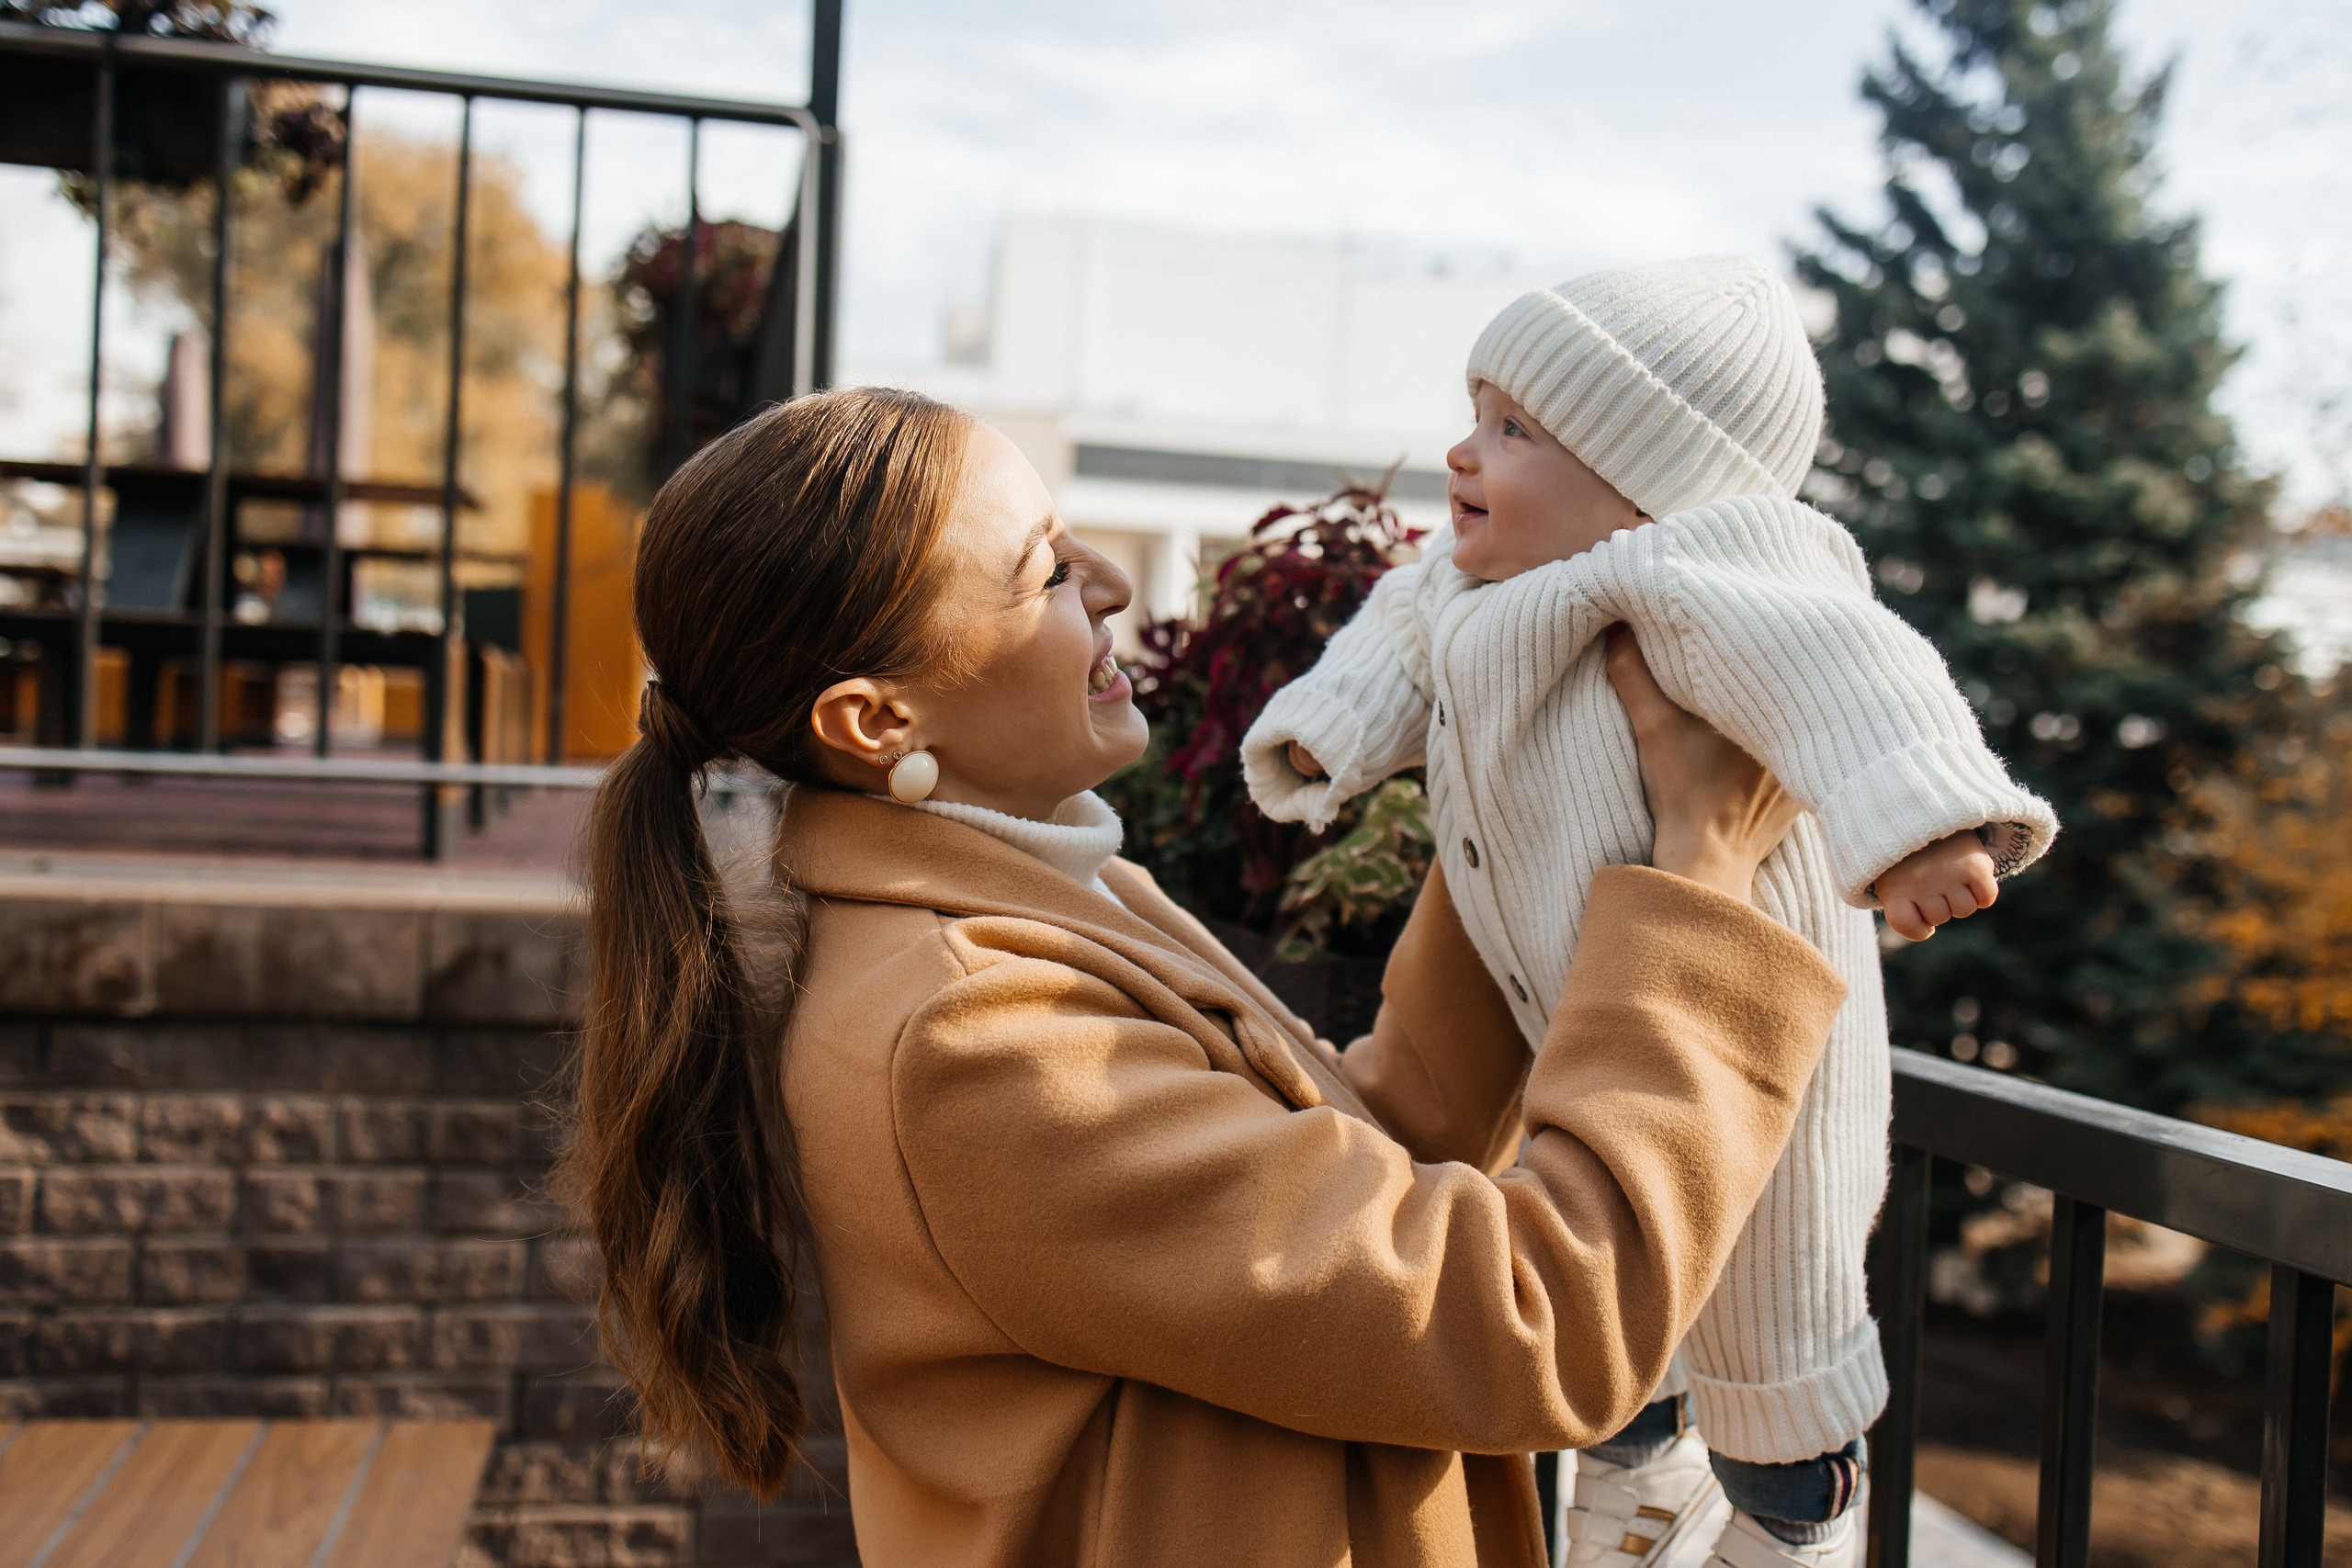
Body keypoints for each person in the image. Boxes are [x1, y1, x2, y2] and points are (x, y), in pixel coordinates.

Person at [565, 386, 1854, 1568]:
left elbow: (1379, 1138)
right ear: (877, 721)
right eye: (1045, 572)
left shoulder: (1046, 897)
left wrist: (1522, 798)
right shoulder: (975, 1032)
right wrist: (1700, 876)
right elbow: (1530, 1322)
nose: (1111, 583)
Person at [1240, 256, 2059, 1567]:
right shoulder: (1468, 585)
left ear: (1647, 480)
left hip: (1749, 1033)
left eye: (1515, 429)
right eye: (1475, 413)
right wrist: (1324, 734)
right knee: (1621, 1275)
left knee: (1769, 1290)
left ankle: (1798, 1517)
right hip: (1597, 1019)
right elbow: (1396, 634)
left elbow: (1851, 668)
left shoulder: (1707, 564)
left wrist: (1929, 826)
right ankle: (1639, 1489)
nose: (1463, 451)